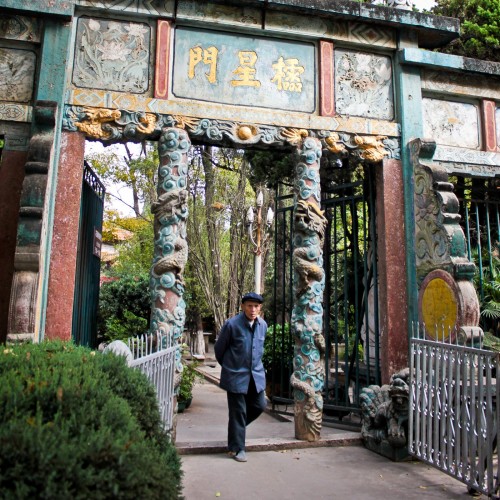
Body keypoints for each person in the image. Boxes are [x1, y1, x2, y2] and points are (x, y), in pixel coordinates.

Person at [214, 292, 267, 463]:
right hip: (236, 376)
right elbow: (219, 350)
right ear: (243, 306)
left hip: (256, 375)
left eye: (256, 306)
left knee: (260, 405)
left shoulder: (263, 325)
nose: (253, 310)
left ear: (260, 308)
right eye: (250, 306)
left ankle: (236, 431)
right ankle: (238, 449)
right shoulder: (232, 325)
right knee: (238, 412)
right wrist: (230, 367)